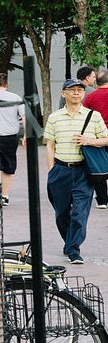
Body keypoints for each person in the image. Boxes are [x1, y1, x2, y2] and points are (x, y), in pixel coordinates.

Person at [45, 78, 108, 264]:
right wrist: (51, 170)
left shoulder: (93, 116)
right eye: (72, 90)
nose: (76, 93)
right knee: (61, 213)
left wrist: (89, 141)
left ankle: (74, 250)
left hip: (84, 172)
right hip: (60, 170)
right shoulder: (54, 117)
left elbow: (106, 139)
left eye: (80, 90)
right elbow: (50, 145)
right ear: (63, 93)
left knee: (79, 213)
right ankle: (69, 242)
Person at [0, 73, 25, 206]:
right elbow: (24, 117)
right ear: (7, 85)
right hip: (10, 137)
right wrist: (25, 136)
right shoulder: (15, 98)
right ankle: (5, 196)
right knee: (8, 168)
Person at [83, 68, 108, 209]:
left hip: (97, 135)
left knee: (99, 166)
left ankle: (102, 200)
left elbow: (85, 115)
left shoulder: (90, 97)